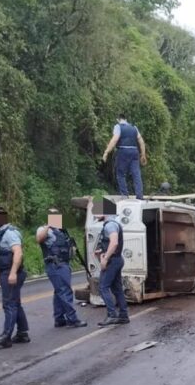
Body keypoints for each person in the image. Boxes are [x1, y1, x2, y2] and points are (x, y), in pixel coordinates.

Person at [0, 207, 30, 348]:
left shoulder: (10, 233)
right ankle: (23, 333)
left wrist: (12, 273)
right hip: (6, 270)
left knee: (9, 304)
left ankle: (6, 336)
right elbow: (2, 258)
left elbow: (18, 253)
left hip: (13, 272)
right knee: (15, 303)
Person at [36, 209, 87, 329]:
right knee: (65, 291)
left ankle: (59, 318)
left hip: (64, 264)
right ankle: (72, 319)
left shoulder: (62, 231)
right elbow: (39, 239)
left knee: (59, 291)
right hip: (55, 264)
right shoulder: (44, 229)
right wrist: (48, 225)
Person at [93, 198, 129, 326]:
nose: (94, 213)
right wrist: (102, 251)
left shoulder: (110, 225)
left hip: (112, 261)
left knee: (103, 287)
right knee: (117, 289)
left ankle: (112, 315)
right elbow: (111, 243)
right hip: (117, 259)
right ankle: (123, 315)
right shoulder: (113, 223)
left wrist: (106, 258)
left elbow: (114, 243)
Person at [102, 113, 147, 199]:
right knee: (136, 174)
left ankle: (125, 195)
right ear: (126, 119)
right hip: (134, 152)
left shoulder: (118, 126)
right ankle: (139, 196)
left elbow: (115, 139)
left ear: (118, 119)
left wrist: (106, 152)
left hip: (123, 151)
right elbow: (141, 141)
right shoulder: (134, 128)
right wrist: (143, 154)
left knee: (120, 174)